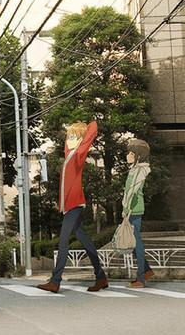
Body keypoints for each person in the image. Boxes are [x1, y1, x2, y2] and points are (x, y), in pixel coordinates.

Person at [37, 120, 108, 294]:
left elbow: (93, 128)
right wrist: (73, 134)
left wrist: (83, 131)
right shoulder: (69, 156)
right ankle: (101, 277)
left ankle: (55, 281)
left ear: (81, 140)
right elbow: (67, 146)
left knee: (63, 240)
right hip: (70, 204)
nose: (69, 140)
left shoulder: (78, 155)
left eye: (73, 137)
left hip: (75, 203)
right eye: (68, 136)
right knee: (82, 237)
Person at [122, 138, 154, 288]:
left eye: (131, 153)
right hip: (133, 208)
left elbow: (133, 191)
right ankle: (146, 271)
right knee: (134, 241)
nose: (127, 155)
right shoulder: (135, 170)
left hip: (133, 209)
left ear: (138, 156)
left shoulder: (140, 170)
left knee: (135, 242)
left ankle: (141, 278)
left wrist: (126, 209)